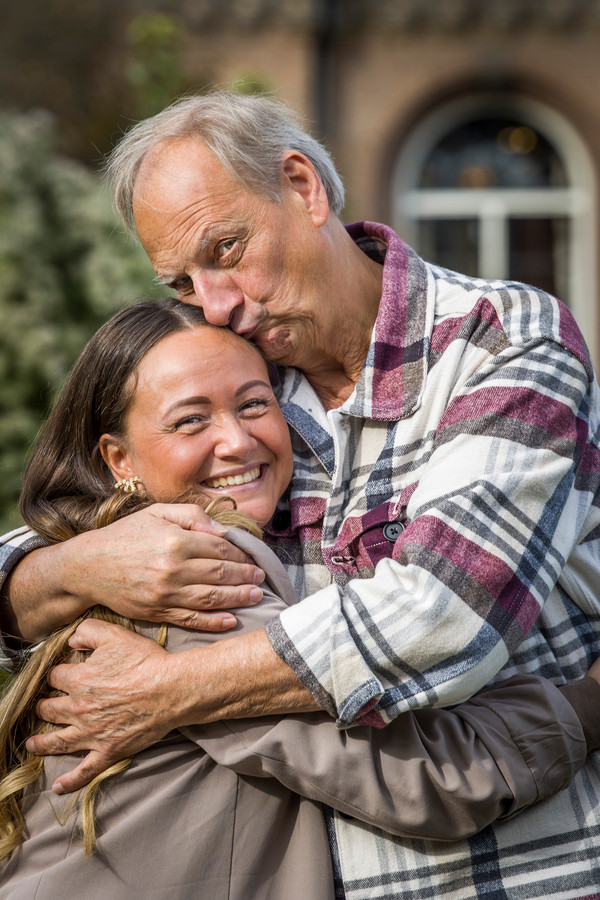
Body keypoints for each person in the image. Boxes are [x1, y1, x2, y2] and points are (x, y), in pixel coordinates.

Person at [1, 92, 600, 898]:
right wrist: (67, 570)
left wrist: (168, 692)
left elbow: (440, 617)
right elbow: (70, 526)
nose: (214, 303)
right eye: (183, 278)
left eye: (227, 248)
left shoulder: (497, 339)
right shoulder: (233, 377)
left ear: (303, 186)